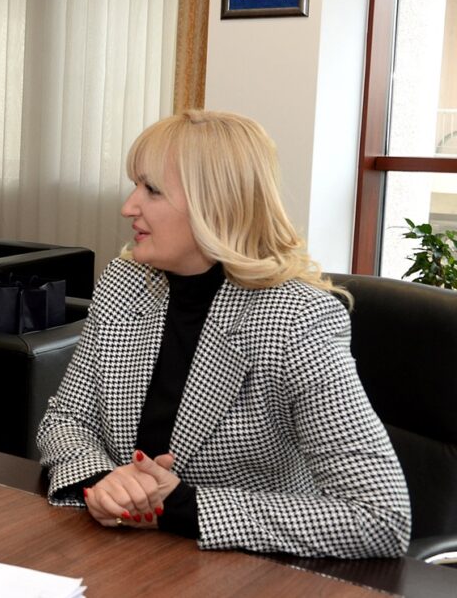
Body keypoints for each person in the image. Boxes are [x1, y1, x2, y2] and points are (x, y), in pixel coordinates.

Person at [36, 110, 411, 558]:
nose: (128, 206)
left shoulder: (295, 319)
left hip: (248, 570)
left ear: (213, 204)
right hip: (123, 555)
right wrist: (104, 481)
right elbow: (67, 420)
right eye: (135, 185)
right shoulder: (126, 281)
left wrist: (181, 507)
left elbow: (381, 517)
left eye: (152, 190)